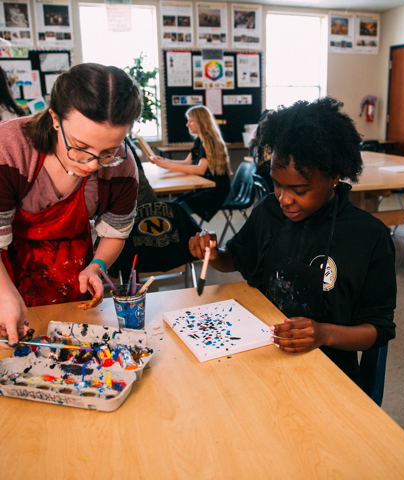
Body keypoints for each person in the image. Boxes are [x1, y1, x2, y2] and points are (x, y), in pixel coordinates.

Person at [188, 97, 397, 387]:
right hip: (260, 350)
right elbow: (235, 259)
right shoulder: (270, 211)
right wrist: (212, 252)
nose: (284, 199)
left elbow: (379, 328)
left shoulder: (368, 236)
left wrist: (324, 333)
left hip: (328, 371)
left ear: (334, 177)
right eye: (277, 184)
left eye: (299, 189)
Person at [0, 63, 142, 348]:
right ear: (55, 118)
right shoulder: (10, 150)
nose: (91, 165)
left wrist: (96, 267)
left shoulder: (123, 167)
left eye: (107, 152)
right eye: (79, 147)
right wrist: (5, 294)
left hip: (72, 266)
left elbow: (115, 231)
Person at [151, 105, 231, 223]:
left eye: (191, 121)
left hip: (216, 192)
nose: (187, 124)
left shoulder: (210, 142)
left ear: (200, 122)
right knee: (173, 206)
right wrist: (164, 161)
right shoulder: (199, 140)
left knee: (177, 210)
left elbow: (200, 170)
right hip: (207, 189)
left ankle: (192, 235)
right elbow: (187, 162)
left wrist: (166, 165)